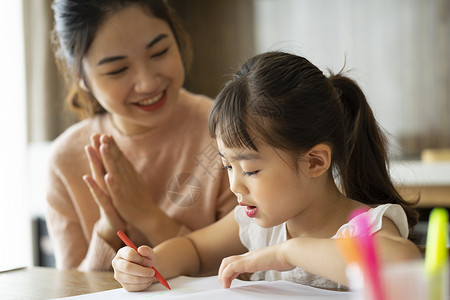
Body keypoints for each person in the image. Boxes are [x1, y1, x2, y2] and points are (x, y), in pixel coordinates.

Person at [111, 51, 422, 291]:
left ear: (314, 161)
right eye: (227, 165)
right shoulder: (258, 226)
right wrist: (149, 263)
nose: (235, 185)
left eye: (250, 170)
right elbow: (192, 248)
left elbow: (403, 263)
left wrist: (289, 253)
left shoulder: (366, 226)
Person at [46, 0, 236, 271]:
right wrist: (109, 228)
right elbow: (72, 289)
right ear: (81, 78)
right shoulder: (65, 160)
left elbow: (244, 269)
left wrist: (147, 216)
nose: (147, 82)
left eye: (159, 52)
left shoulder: (226, 131)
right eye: (118, 70)